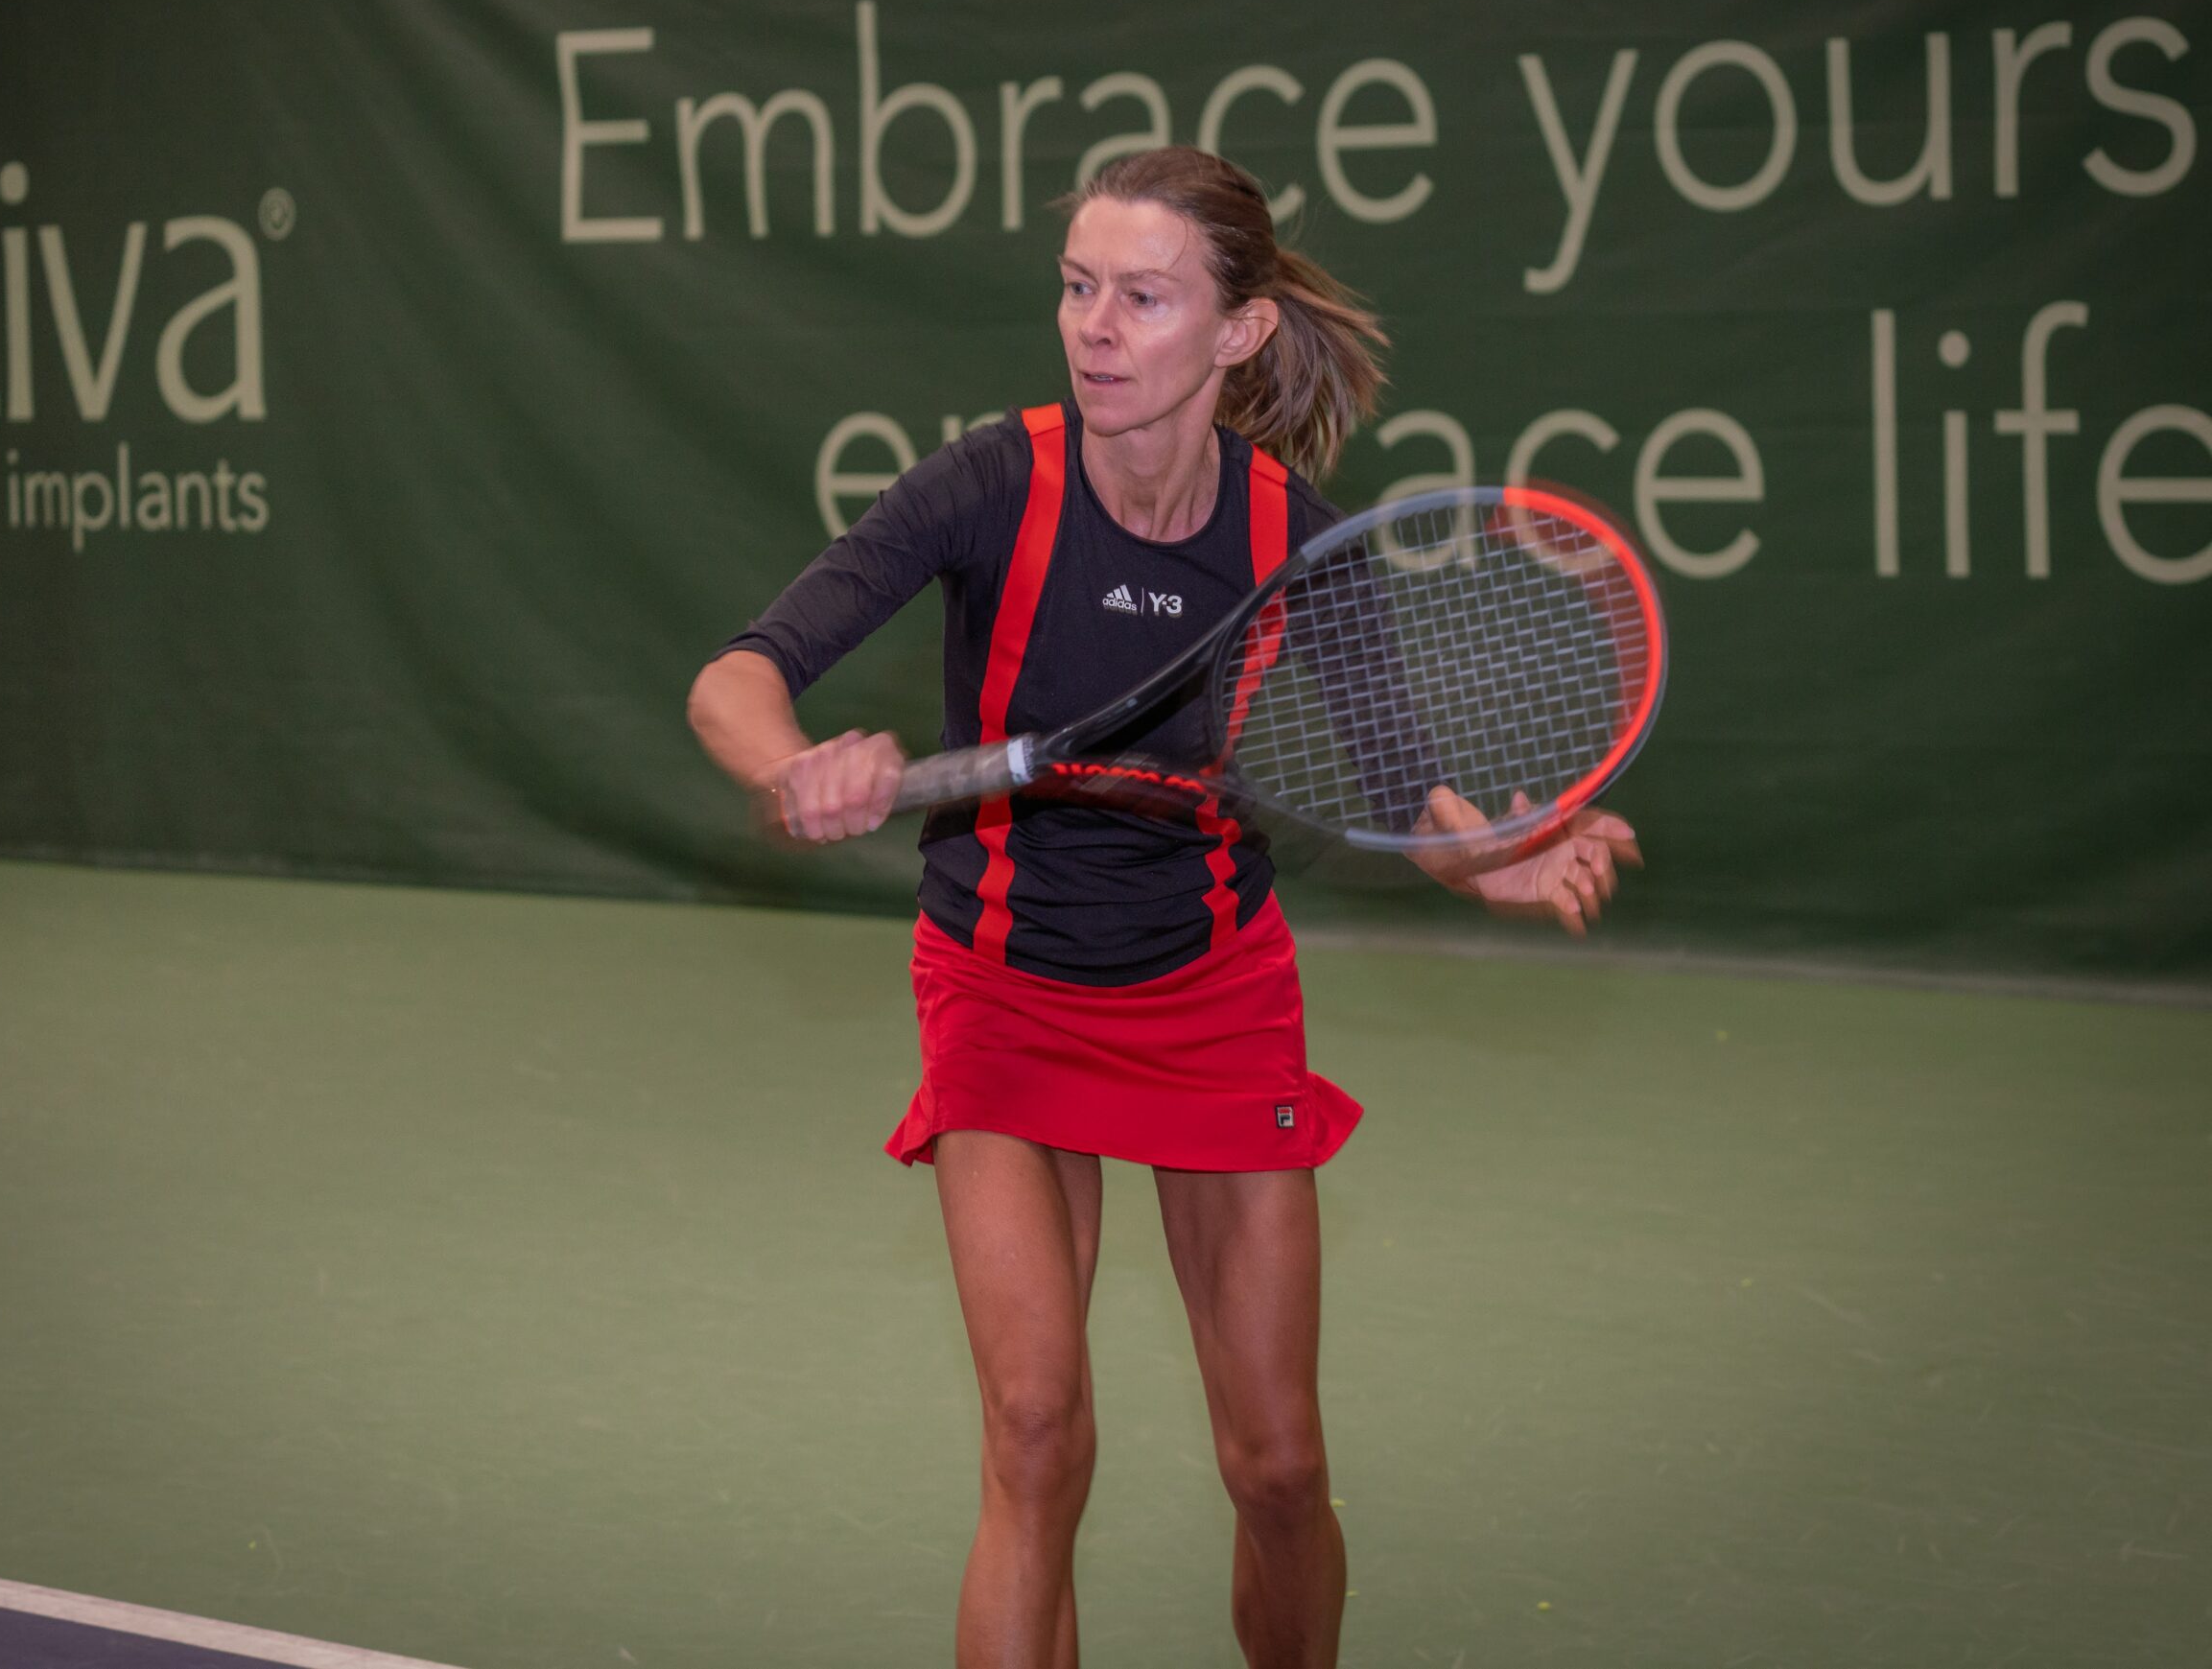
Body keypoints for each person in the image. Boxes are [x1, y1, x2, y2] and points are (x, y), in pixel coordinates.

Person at [687, 147, 1638, 1669]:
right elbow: (736, 677)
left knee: (1280, 1466)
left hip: (1210, 983)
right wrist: (789, 764)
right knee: (1036, 1429)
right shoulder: (990, 483)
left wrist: (1495, 860)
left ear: (1238, 329)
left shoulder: (1291, 537)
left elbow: (1411, 794)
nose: (1096, 325)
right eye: (1079, 286)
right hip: (1002, 976)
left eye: (1143, 295)